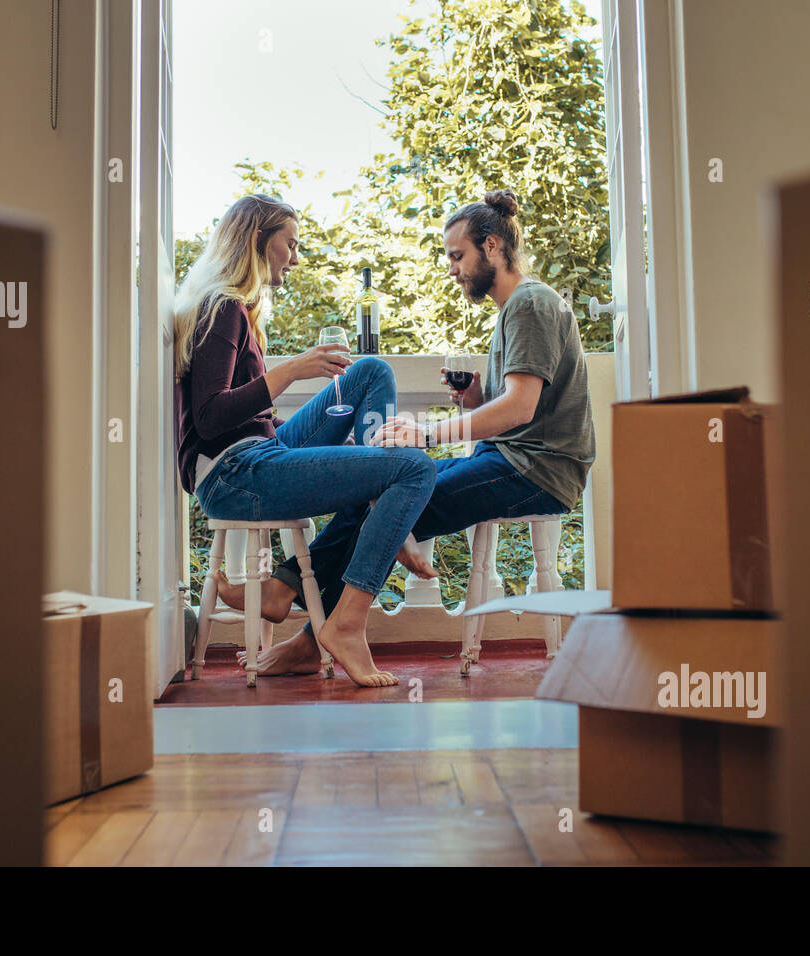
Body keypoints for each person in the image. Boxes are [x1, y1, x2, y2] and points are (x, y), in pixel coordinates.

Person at [232, 189, 596, 676]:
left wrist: (426, 435)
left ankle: (303, 611)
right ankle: (307, 616)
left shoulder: (530, 304)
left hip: (534, 471)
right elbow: (514, 408)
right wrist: (472, 403)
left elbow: (520, 407)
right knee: (376, 486)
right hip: (508, 459)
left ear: (491, 246)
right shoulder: (516, 309)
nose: (452, 269)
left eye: (457, 255)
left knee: (389, 497)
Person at [176, 193, 439, 688]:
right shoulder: (222, 307)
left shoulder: (235, 309)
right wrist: (294, 370)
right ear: (258, 240)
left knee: (369, 371)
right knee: (415, 468)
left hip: (260, 451)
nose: (295, 259)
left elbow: (243, 417)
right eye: (289, 245)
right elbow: (211, 418)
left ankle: (284, 588)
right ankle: (347, 624)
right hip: (235, 473)